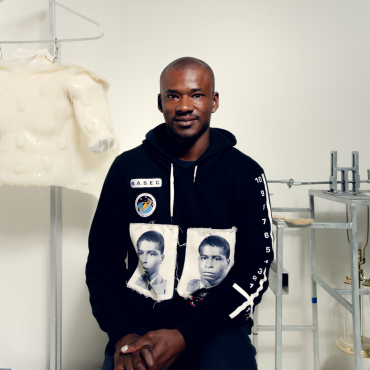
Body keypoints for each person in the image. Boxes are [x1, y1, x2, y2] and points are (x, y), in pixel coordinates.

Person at [86, 56, 273, 370]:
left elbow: (256, 269)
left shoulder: (244, 173)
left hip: (217, 328)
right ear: (160, 103)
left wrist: (186, 335)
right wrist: (122, 335)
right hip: (139, 327)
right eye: (173, 95)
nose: (185, 105)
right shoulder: (127, 169)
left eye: (196, 94)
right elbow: (104, 261)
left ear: (213, 102)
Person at [135, 230, 167, 295]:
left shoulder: (166, 288)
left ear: (162, 258)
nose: (144, 260)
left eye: (151, 254)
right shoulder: (137, 282)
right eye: (140, 253)